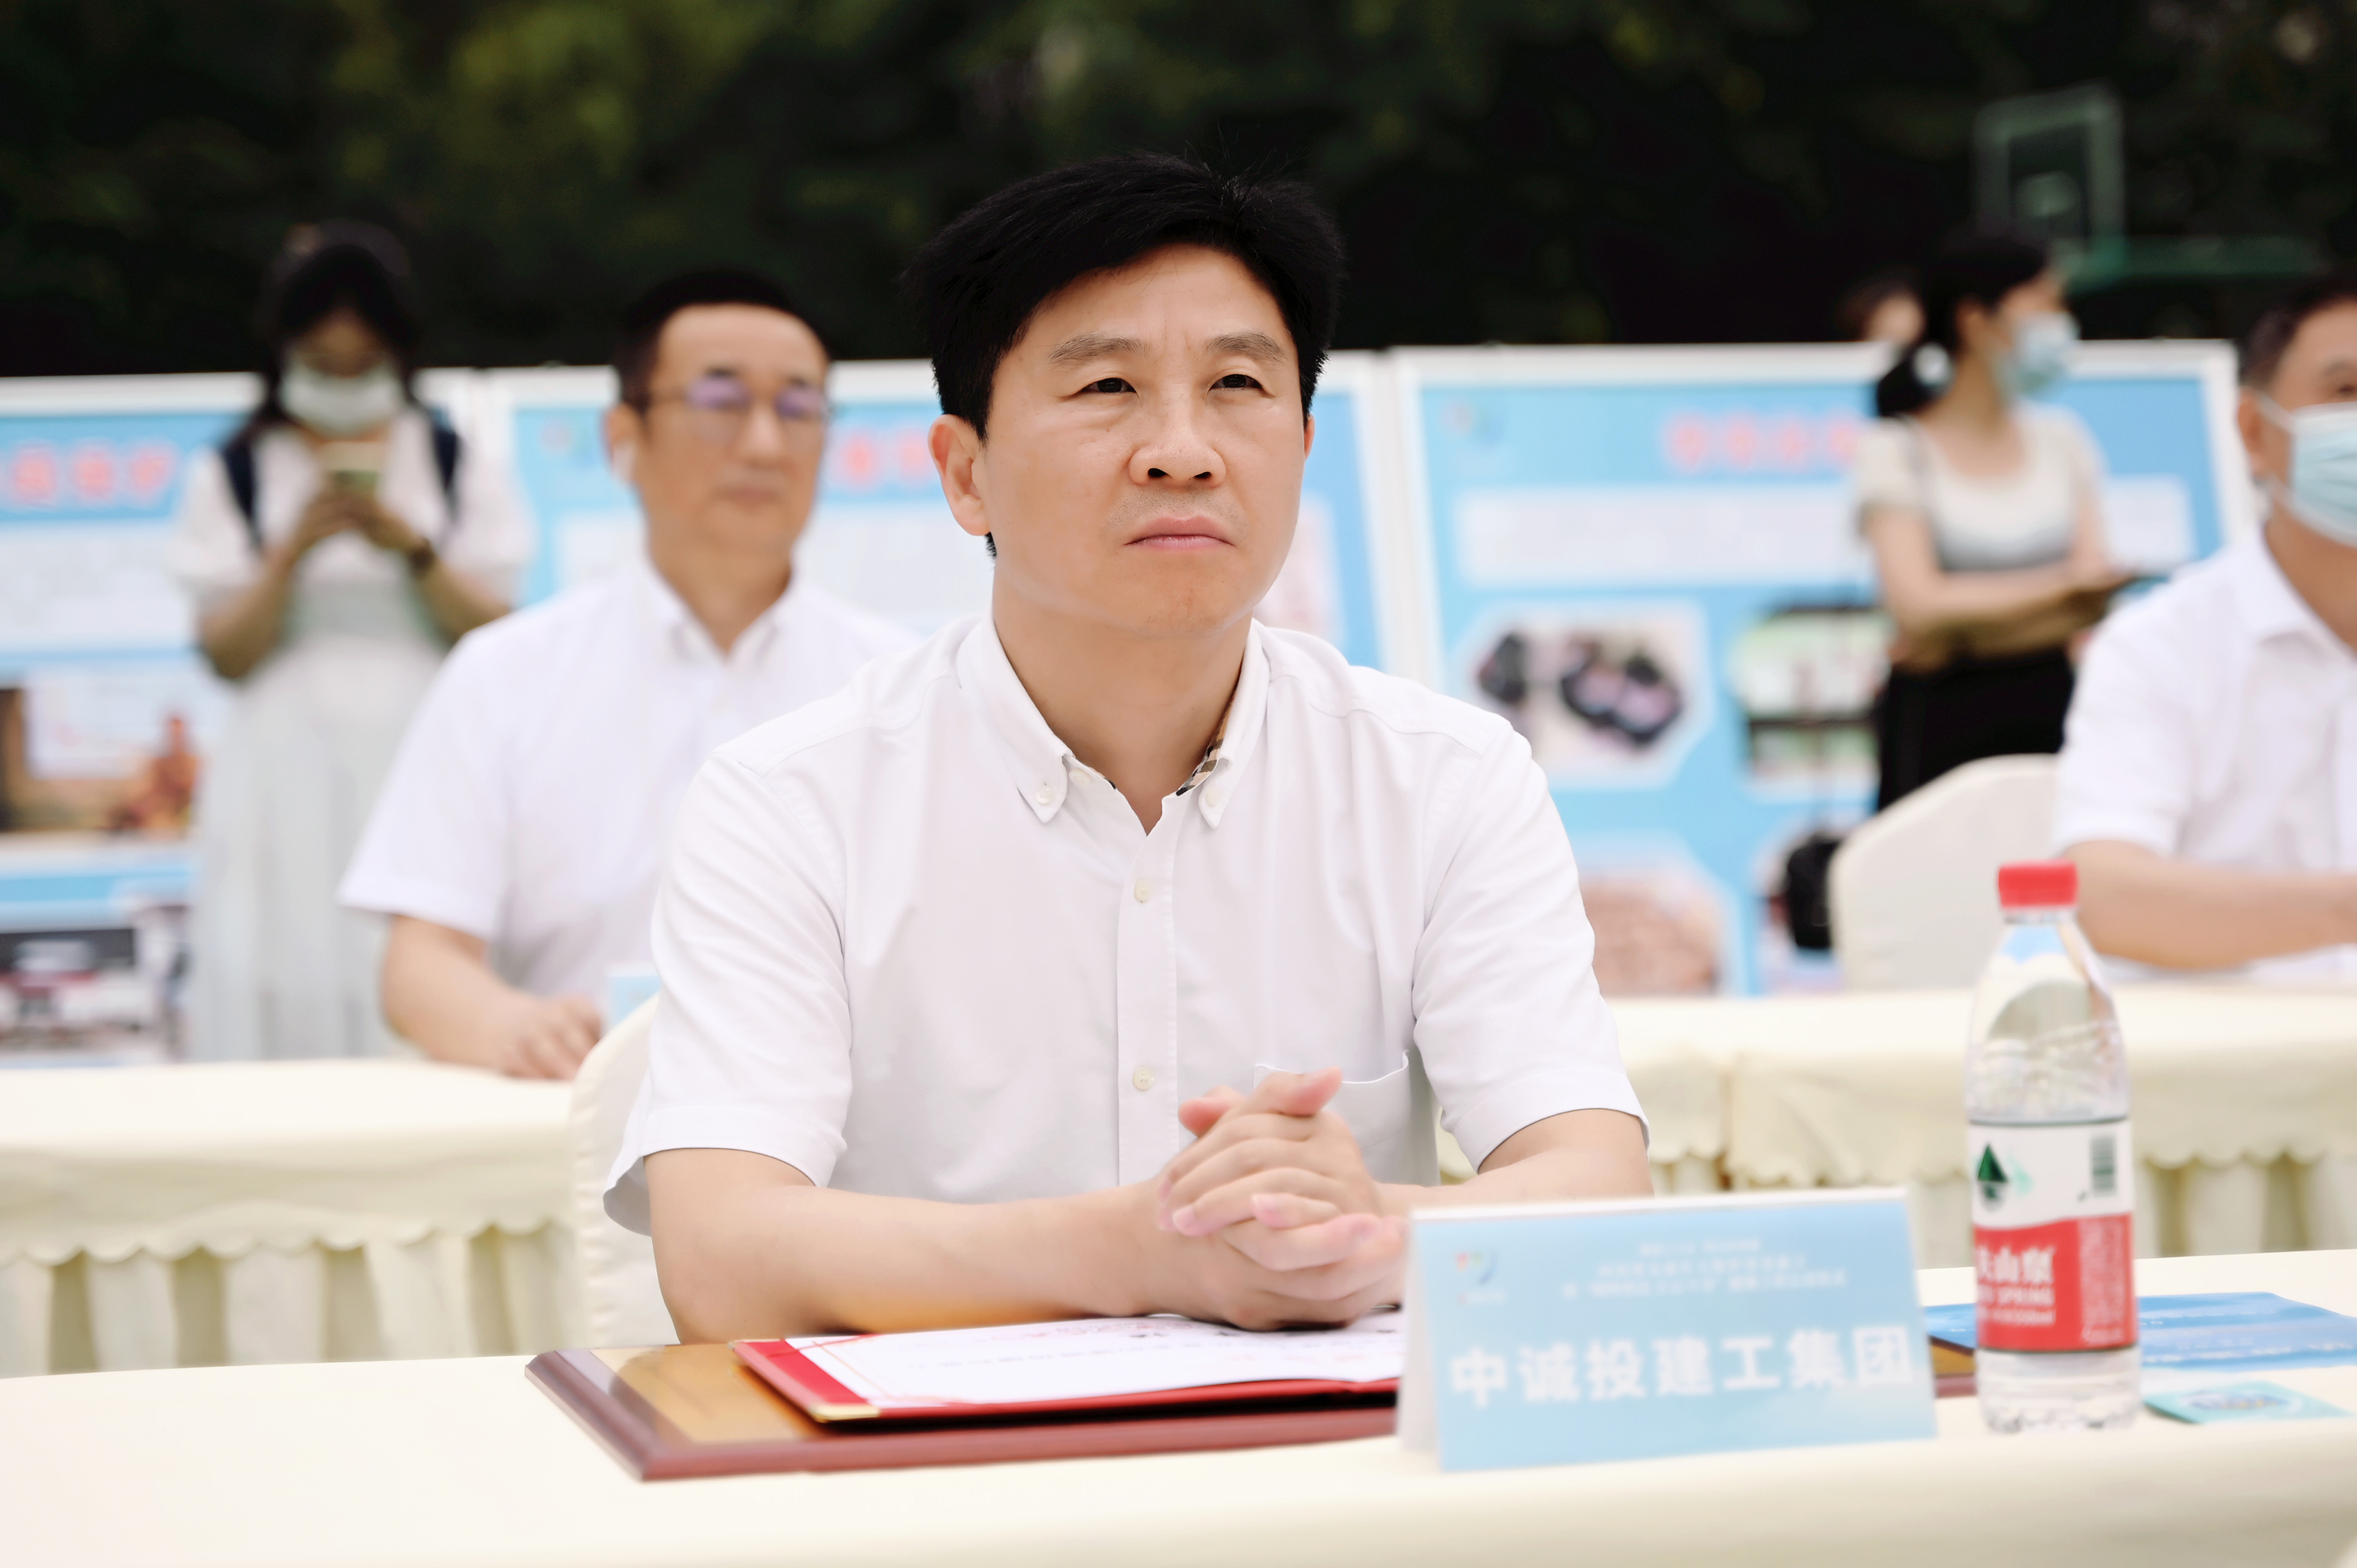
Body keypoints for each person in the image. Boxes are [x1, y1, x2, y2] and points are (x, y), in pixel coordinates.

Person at [614, 154, 1653, 1342]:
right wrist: (1141, 1250)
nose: (1181, 449)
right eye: (1107, 385)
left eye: (1236, 385)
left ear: (1303, 446)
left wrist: (1364, 1229)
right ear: (965, 474)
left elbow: (1595, 1189)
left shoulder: (1444, 780)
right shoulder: (789, 804)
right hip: (943, 1455)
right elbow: (720, 1263)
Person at [339, 269, 913, 1079]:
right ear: (623, 439)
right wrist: (513, 1026)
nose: (764, 443)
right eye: (719, 402)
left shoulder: (900, 686)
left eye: (798, 407)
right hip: (574, 1115)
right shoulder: (505, 675)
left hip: (844, 1128)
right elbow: (420, 962)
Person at [171, 223, 529, 1060]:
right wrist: (290, 553)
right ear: (285, 355)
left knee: (417, 934)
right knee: (278, 943)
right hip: (281, 759)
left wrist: (412, 549)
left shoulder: (448, 458)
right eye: (323, 365)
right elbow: (225, 654)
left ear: (396, 356)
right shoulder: (238, 469)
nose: (342, 384)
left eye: (360, 364)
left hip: (421, 740)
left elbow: (497, 630)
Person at [2055, 270, 2357, 980]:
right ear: (2253, 431)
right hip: (2234, 1046)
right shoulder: (2160, 646)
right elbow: (2103, 895)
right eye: (2346, 391)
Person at [1853, 230, 2132, 810]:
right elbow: (1917, 608)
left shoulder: (2062, 442)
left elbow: (2093, 600)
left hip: (2053, 714)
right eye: (2045, 303)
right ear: (1977, 321)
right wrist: (2060, 594)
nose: (2060, 323)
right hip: (1936, 726)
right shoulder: (1897, 449)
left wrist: (1960, 627)